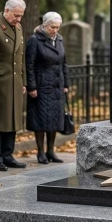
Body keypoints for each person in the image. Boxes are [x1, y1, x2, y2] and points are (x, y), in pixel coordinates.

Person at [0, 0, 27, 171]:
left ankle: (7, 155)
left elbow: (20, 58)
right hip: (0, 82)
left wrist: (23, 81)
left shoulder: (18, 27)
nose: (18, 19)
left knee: (12, 119)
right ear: (6, 10)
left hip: (15, 81)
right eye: (16, 15)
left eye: (21, 16)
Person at [26, 12, 69, 164]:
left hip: (57, 86)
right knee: (41, 119)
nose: (55, 30)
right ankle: (40, 152)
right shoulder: (34, 40)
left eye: (57, 27)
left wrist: (66, 85)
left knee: (55, 120)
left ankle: (51, 151)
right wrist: (31, 86)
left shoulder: (59, 39)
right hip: (42, 85)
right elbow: (29, 65)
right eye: (52, 27)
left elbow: (63, 64)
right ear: (44, 25)